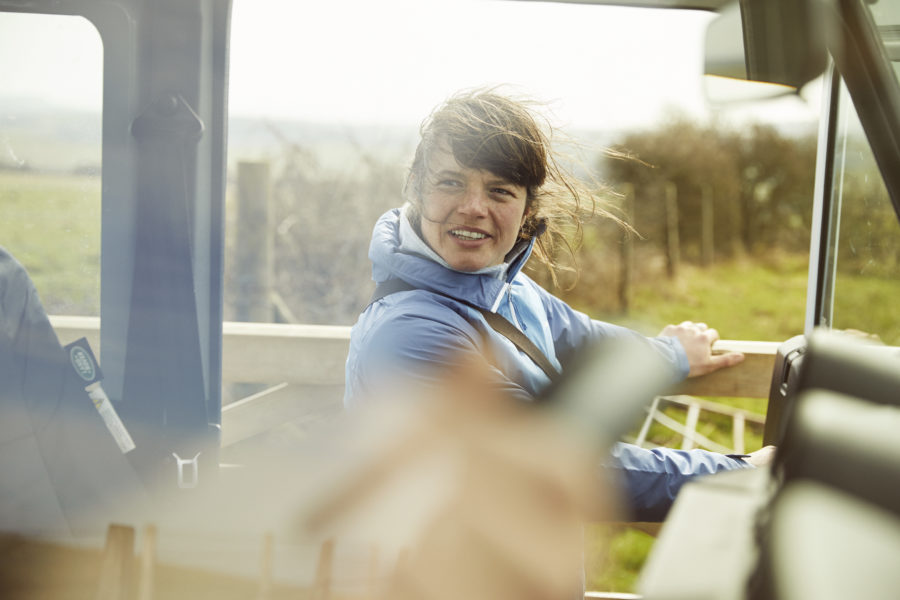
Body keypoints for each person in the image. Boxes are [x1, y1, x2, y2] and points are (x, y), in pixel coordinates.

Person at [343, 89, 773, 522]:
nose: (473, 208)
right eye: (451, 182)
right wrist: (734, 475)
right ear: (416, 188)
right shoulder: (410, 332)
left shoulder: (500, 287)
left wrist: (674, 354)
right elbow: (547, 458)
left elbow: (582, 337)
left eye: (500, 190)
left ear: (527, 208)